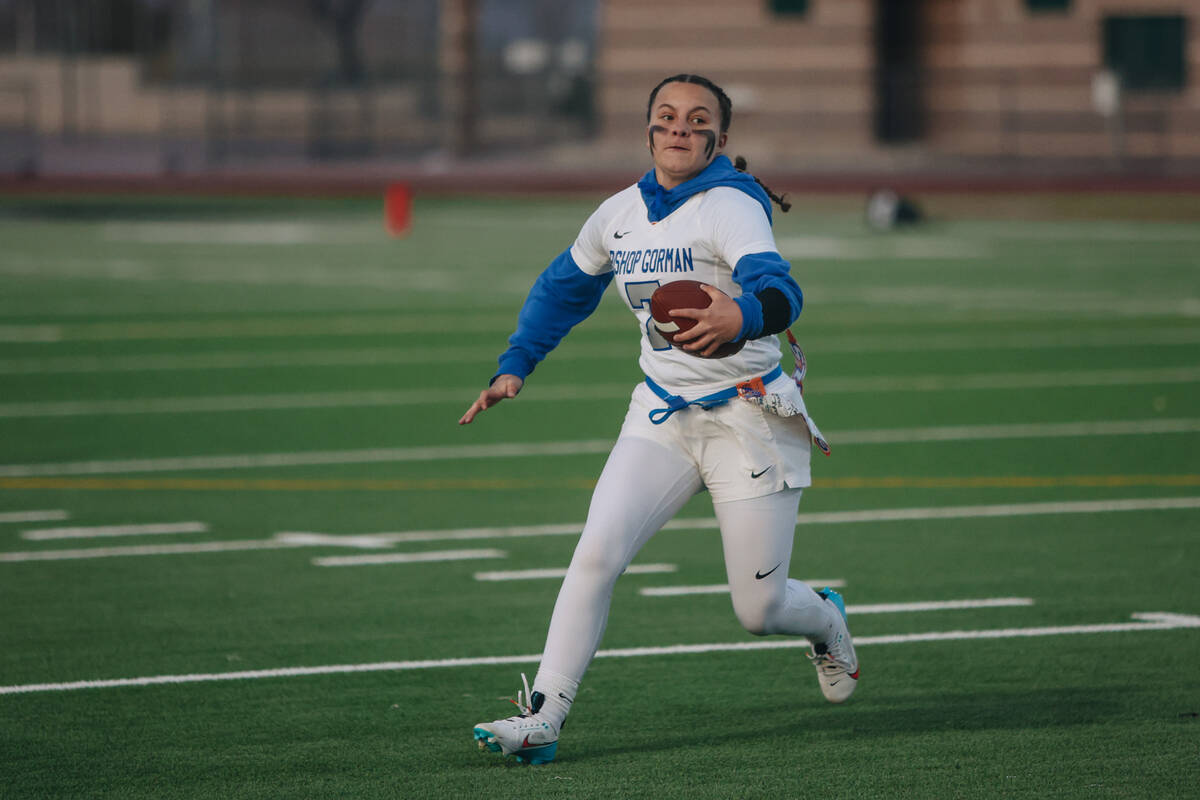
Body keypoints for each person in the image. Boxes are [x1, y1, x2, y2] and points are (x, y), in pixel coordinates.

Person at [458, 74, 858, 765]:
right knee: (596, 553)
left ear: (719, 140)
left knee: (757, 612)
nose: (679, 128)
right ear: (647, 130)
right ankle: (542, 718)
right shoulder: (618, 214)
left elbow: (779, 287)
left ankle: (823, 617)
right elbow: (564, 288)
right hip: (662, 415)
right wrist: (514, 364)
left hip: (749, 416)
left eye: (696, 120)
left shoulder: (732, 205)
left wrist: (745, 313)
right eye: (666, 116)